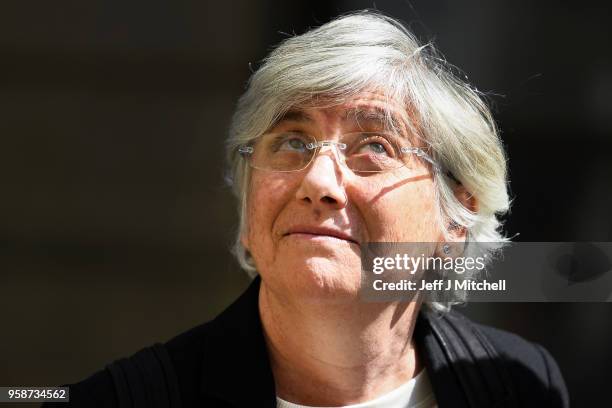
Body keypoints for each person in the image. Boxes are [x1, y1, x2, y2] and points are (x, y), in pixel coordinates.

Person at [45, 11, 569, 408]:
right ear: (251, 199)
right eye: (292, 142)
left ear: (455, 217)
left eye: (375, 148)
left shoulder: (520, 383)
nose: (318, 182)